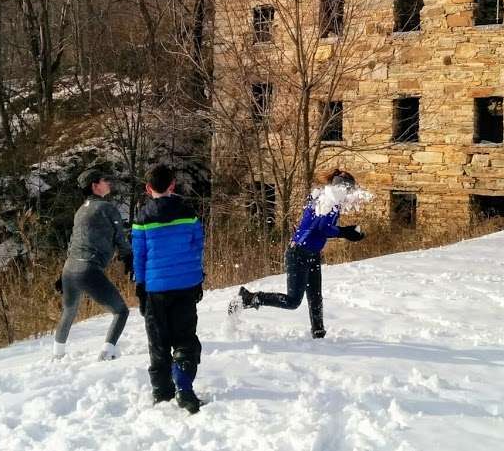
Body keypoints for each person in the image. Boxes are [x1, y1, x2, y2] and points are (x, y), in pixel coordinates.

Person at [230, 169, 366, 339]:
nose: (347, 195)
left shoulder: (328, 200)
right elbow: (322, 228)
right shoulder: (325, 200)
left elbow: (321, 228)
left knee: (315, 296)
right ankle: (249, 298)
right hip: (298, 253)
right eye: (347, 190)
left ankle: (318, 332)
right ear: (340, 187)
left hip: (313, 254)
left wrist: (346, 231)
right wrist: (345, 232)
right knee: (293, 301)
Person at [132, 164, 205, 414]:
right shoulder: (188, 211)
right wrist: (196, 278)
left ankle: (162, 392)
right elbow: (197, 245)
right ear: (173, 185)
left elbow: (139, 256)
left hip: (155, 288)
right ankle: (184, 389)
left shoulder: (142, 217)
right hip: (186, 285)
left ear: (147, 188)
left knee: (158, 341)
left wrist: (140, 287)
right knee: (185, 338)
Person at [53, 164, 132, 362]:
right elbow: (120, 238)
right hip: (89, 269)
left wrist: (61, 276)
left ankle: (57, 355)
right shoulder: (107, 208)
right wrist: (128, 258)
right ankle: (107, 352)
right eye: (104, 181)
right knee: (121, 311)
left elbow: (74, 241)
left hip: (69, 268)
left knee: (69, 311)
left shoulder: (80, 211)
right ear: (95, 186)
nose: (108, 183)